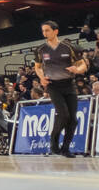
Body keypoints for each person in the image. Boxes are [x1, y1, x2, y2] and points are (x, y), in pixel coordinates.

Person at [34, 20, 87, 157]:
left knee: (73, 120)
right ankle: (53, 140)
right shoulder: (41, 49)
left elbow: (83, 65)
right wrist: (41, 77)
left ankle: (65, 148)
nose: (45, 33)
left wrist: (77, 69)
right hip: (53, 86)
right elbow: (38, 67)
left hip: (69, 84)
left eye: (47, 30)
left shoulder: (68, 47)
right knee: (63, 115)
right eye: (43, 30)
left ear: (55, 31)